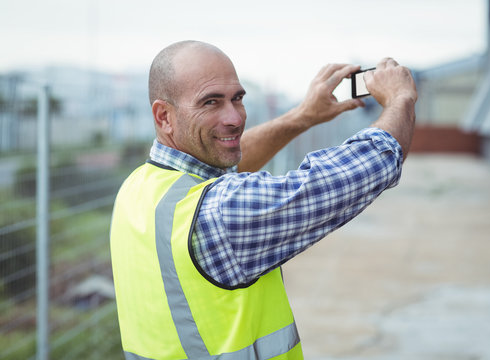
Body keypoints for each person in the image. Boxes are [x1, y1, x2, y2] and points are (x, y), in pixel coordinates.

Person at [110, 40, 417, 360]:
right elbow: (370, 165)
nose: (234, 118)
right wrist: (400, 98)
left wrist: (303, 116)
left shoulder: (138, 188)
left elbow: (223, 166)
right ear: (164, 116)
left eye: (237, 98)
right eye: (211, 102)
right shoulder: (220, 214)